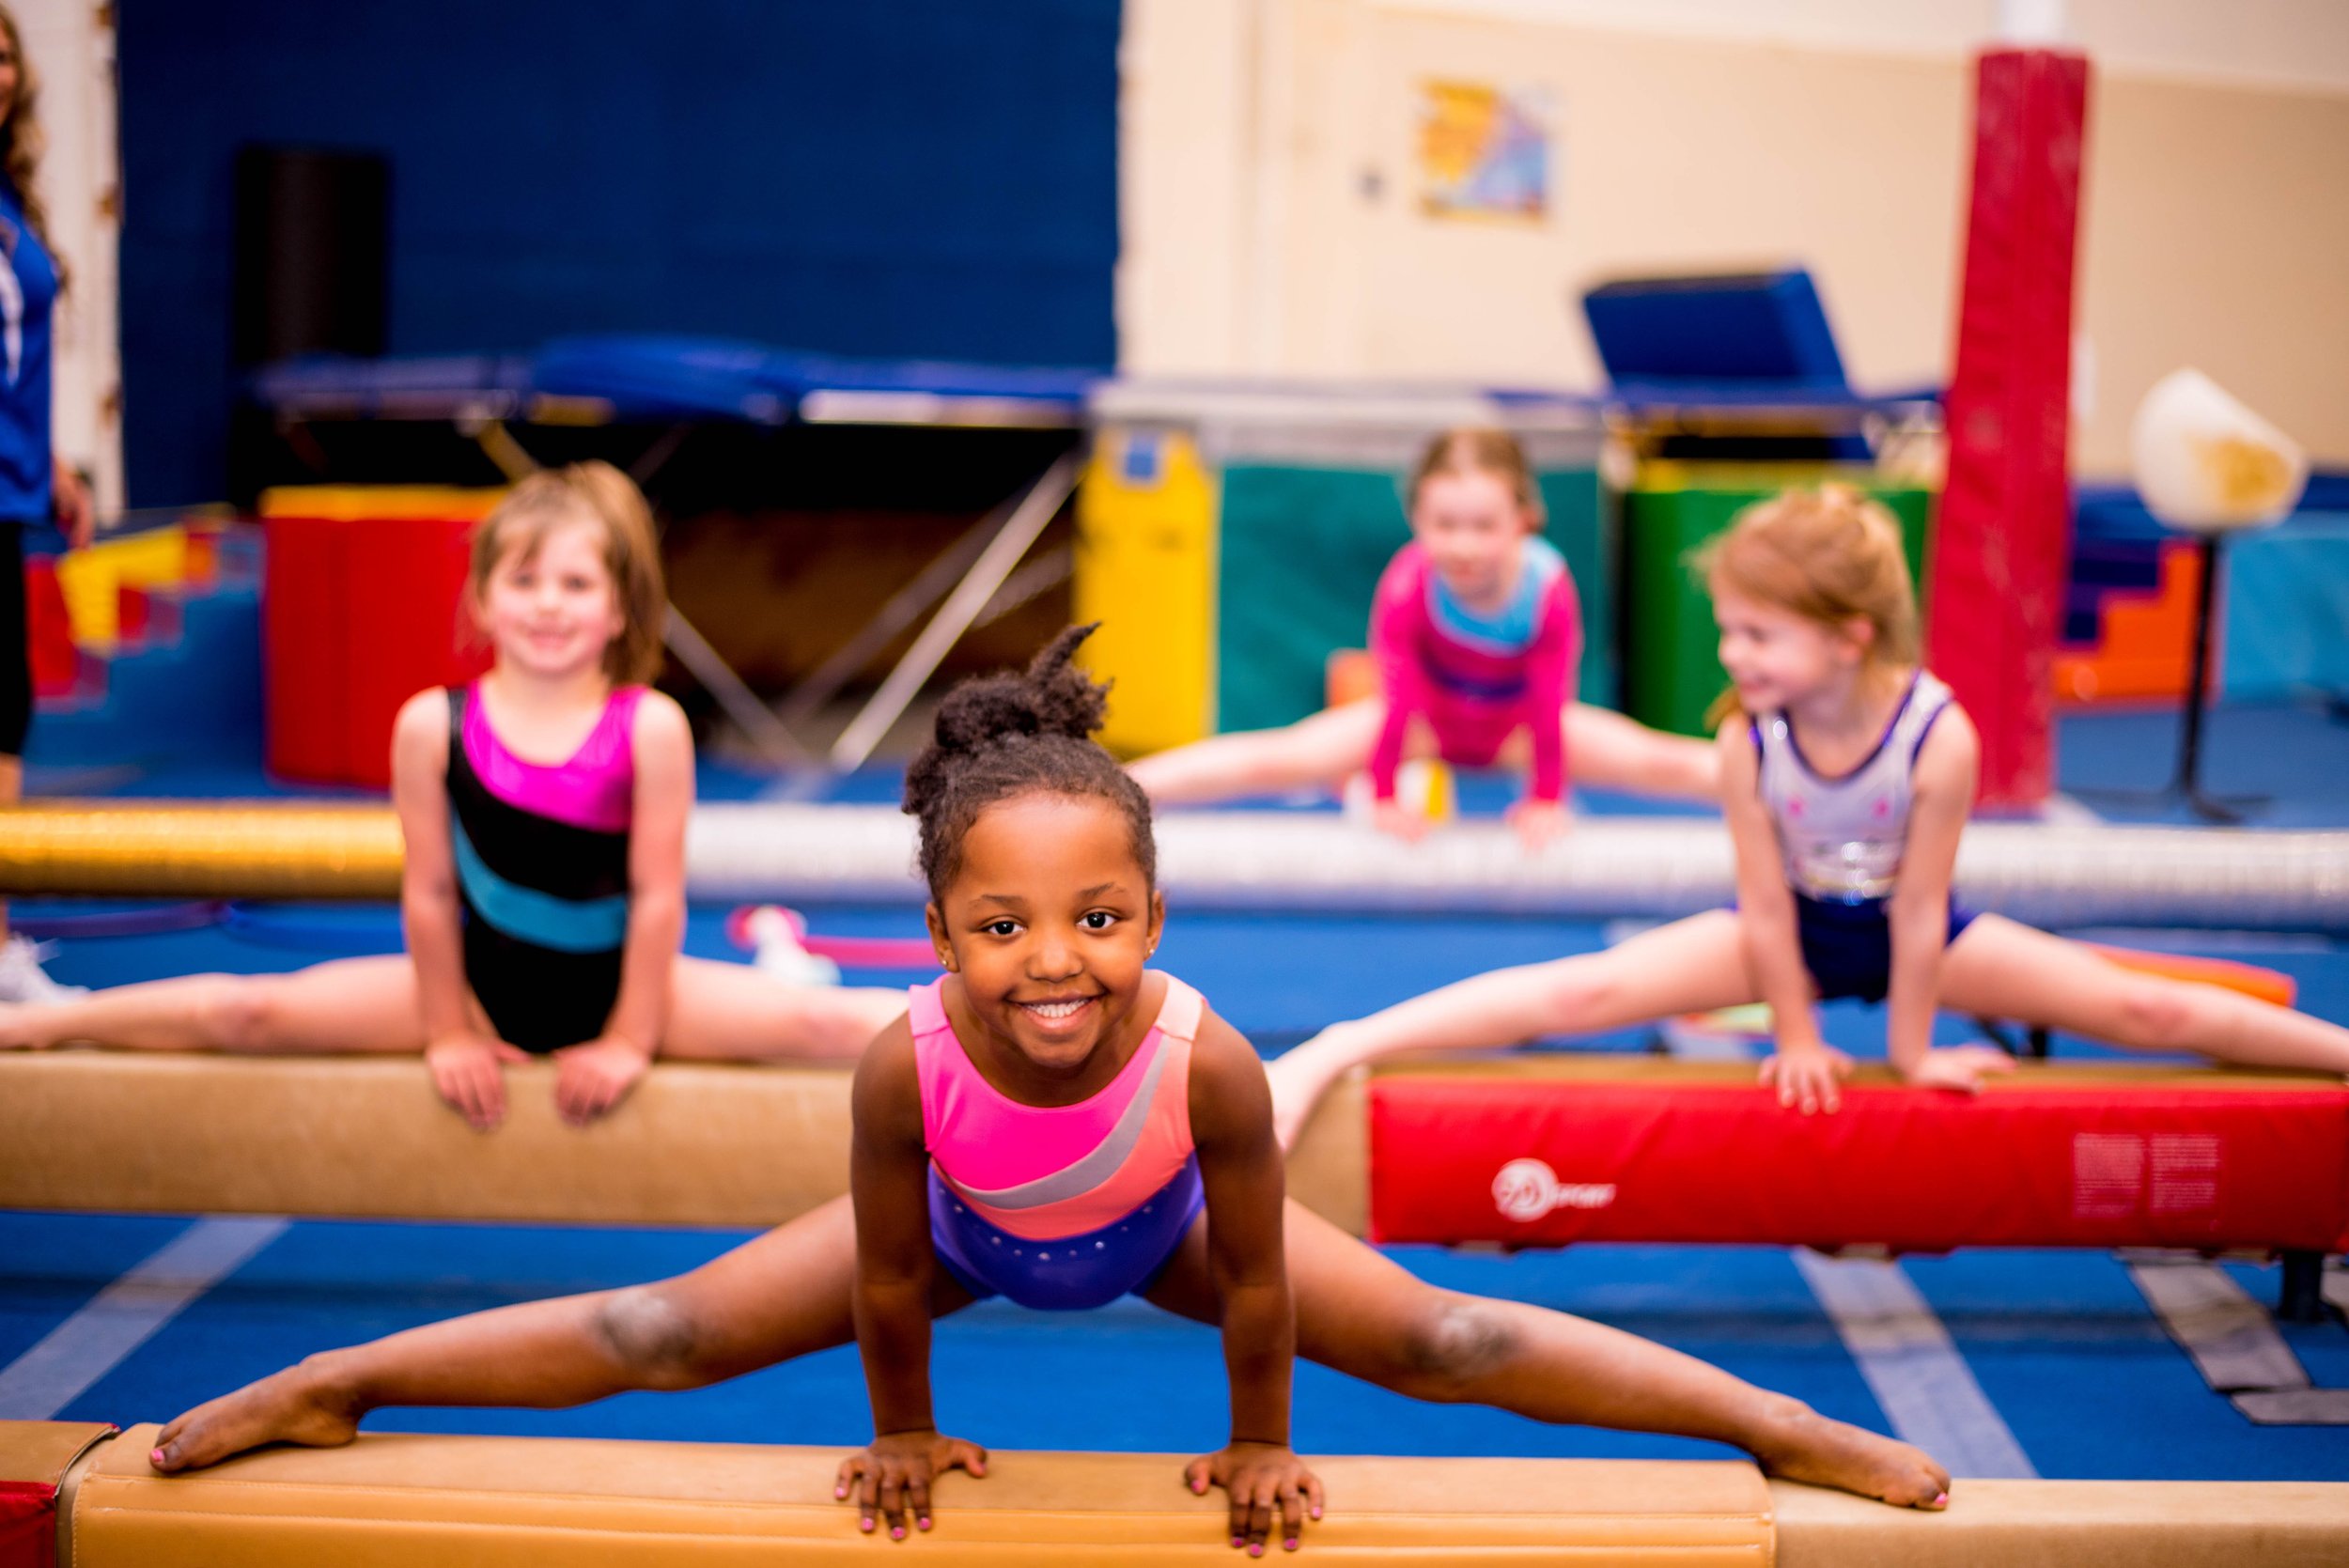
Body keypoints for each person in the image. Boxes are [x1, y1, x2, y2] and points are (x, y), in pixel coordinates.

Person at [146, 629, 1951, 1551]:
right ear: (938, 927)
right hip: (954, 1228)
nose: (1056, 957)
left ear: (1153, 912)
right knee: (654, 1324)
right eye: (1002, 923)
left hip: (1160, 1226)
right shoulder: (897, 1060)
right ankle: (332, 1378)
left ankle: (1778, 1422)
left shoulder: (1206, 1057)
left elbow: (1256, 1274)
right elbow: (875, 1271)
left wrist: (1263, 1441)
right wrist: (906, 1428)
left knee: (1460, 1340)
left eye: (1098, 915)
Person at [1268, 487, 2349, 1140]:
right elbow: (1765, 906)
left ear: (1850, 637)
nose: (1733, 657)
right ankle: (1336, 1048)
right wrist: (1793, 1033)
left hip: (1911, 929)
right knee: (1583, 987)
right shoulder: (1750, 738)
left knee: (2149, 1013)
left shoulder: (1938, 736)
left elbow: (1923, 909)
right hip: (1786, 923)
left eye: (1758, 637)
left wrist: (1913, 1049)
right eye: (1730, 630)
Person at [0, 462, 903, 1127]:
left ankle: (1016, 1032)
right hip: (475, 985)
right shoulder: (433, 725)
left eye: (576, 584)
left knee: (823, 1021)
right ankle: (41, 1028)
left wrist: (629, 1038)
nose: (549, 605)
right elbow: (429, 892)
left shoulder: (649, 726)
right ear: (480, 598)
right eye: (525, 580)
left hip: (633, 990)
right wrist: (448, 1030)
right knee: (252, 1008)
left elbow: (659, 895)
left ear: (621, 608)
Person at [1128, 429, 1717, 848]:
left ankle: (1783, 785)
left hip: (1517, 726)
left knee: (1656, 759)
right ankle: (1117, 790)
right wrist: (1383, 794)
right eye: (1445, 525)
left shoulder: (1548, 587)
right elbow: (1399, 690)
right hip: (1424, 721)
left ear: (1524, 520)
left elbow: (1547, 695)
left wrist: (1545, 795)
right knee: (1282, 756)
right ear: (1416, 518)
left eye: (1484, 526)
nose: (1463, 545)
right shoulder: (1409, 583)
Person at [0, 3, 95, 1002]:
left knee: (6, 709)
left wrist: (56, 462)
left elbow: (12, 357)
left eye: (1, 59)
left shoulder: (10, 197)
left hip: (15, 486)